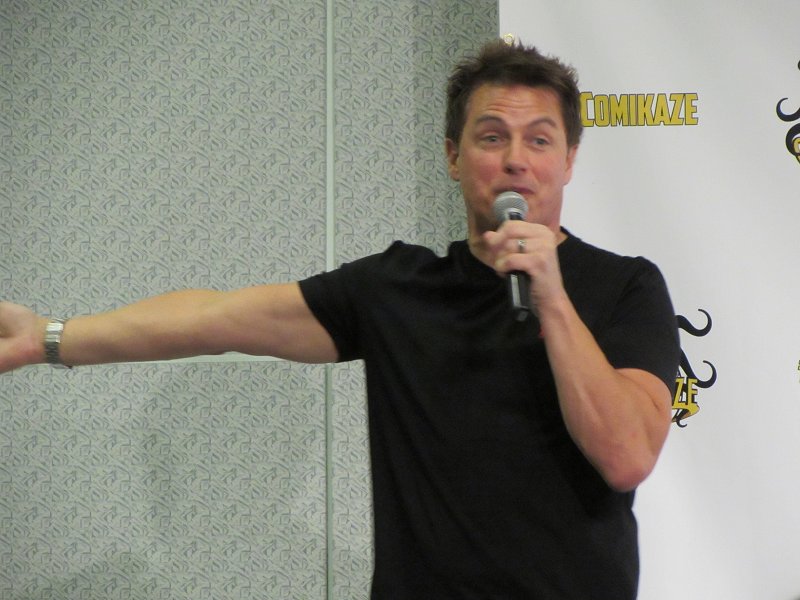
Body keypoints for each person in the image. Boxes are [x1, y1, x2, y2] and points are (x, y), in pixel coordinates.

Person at [0, 40, 680, 598]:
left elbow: (626, 456)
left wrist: (552, 298)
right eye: (492, 136)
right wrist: (49, 338)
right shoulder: (396, 290)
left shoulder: (627, 287)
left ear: (569, 161)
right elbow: (214, 316)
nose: (515, 160)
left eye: (539, 140)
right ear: (453, 156)